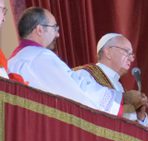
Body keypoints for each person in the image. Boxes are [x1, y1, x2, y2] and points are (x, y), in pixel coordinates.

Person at [8, 7, 140, 115]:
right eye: (55, 28)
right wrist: (121, 100)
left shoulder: (13, 60)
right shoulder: (40, 57)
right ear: (40, 30)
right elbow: (76, 89)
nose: (58, 35)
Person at [73, 33, 148, 128]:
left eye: (132, 55)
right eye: (127, 52)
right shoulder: (84, 74)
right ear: (108, 52)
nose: (131, 59)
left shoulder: (119, 87)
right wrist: (124, 98)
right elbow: (92, 101)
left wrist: (140, 116)